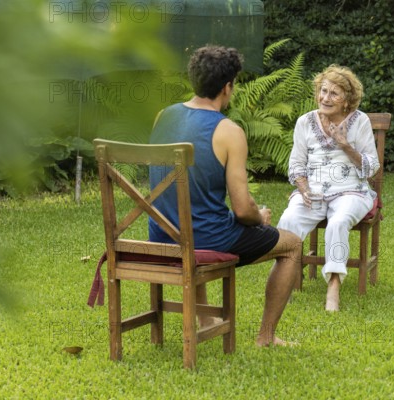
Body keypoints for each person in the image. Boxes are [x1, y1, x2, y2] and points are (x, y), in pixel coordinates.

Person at [148, 45, 302, 347]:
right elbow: (244, 210)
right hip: (205, 240)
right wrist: (261, 218)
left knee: (197, 221)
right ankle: (266, 337)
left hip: (161, 236)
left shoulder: (162, 117)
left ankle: (205, 318)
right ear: (227, 87)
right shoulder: (228, 131)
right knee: (293, 246)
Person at [277, 64, 380, 312]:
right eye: (323, 91)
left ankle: (334, 284)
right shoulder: (305, 122)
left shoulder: (360, 121)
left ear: (347, 100)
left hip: (352, 192)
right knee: (288, 219)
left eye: (334, 93)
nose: (325, 98)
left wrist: (345, 145)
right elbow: (297, 164)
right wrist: (302, 188)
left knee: (338, 221)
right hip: (312, 191)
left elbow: (371, 167)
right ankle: (285, 281)